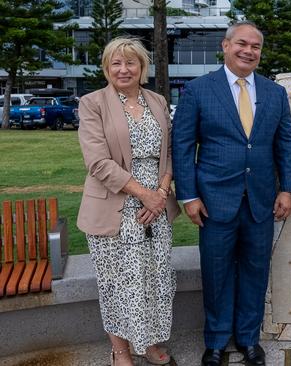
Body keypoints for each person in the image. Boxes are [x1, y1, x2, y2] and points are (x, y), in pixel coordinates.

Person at [172, 21, 291, 366]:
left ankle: (247, 340)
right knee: (216, 273)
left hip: (261, 201)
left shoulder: (273, 93)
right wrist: (188, 196)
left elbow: (285, 143)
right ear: (225, 46)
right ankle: (214, 343)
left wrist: (287, 188)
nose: (249, 51)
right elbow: (182, 146)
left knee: (256, 273)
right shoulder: (198, 90)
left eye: (255, 46)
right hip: (213, 202)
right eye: (242, 43)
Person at [77, 37, 180, 366]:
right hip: (115, 205)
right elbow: (98, 162)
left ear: (142, 67)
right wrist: (144, 194)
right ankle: (120, 350)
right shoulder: (93, 103)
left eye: (130, 63)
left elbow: (169, 153)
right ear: (107, 68)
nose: (124, 69)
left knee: (155, 278)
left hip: (156, 207)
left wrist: (161, 194)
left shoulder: (158, 101)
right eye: (116, 63)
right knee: (118, 283)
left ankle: (148, 343)